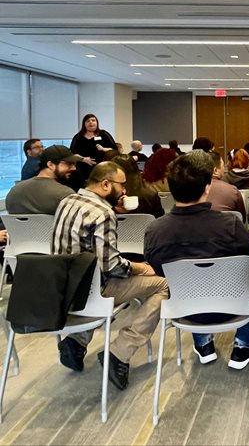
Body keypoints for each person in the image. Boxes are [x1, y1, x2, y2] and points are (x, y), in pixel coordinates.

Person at [52, 162, 169, 390]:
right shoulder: (103, 213)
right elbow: (112, 266)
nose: (125, 191)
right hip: (91, 290)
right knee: (161, 285)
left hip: (61, 288)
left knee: (104, 282)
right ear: (105, 184)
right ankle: (119, 351)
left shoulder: (67, 201)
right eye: (122, 185)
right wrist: (140, 267)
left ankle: (76, 342)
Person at [144, 151, 249, 369]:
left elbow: (158, 268)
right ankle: (244, 345)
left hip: (184, 308)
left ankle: (203, 343)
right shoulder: (230, 225)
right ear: (207, 187)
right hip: (235, 305)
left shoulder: (155, 230)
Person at [7, 145, 78, 214]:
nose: (74, 168)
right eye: (69, 164)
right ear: (50, 165)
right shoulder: (65, 194)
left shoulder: (14, 191)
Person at [70, 113, 117, 181]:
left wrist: (103, 149)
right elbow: (71, 154)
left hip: (101, 169)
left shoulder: (104, 134)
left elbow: (114, 150)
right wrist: (83, 159)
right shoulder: (78, 137)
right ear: (84, 124)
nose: (91, 122)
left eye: (93, 120)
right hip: (82, 170)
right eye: (88, 121)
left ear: (97, 123)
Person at [205, 151, 246, 219]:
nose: (224, 168)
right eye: (223, 166)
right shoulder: (233, 191)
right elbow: (242, 218)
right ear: (215, 170)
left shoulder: (192, 190)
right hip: (226, 228)